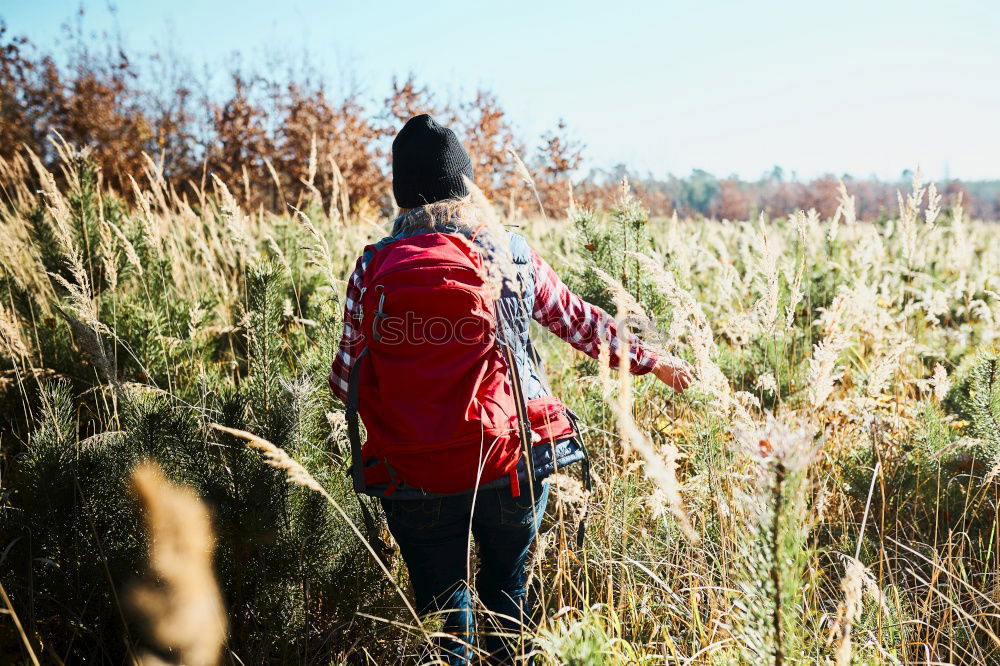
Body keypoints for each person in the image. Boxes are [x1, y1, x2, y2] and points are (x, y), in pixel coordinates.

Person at [329, 114, 693, 665]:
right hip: (509, 459)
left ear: (401, 192)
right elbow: (580, 324)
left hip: (410, 473)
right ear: (464, 184)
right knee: (508, 598)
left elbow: (344, 382)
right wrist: (653, 360)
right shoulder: (510, 254)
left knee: (445, 623)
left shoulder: (372, 266)